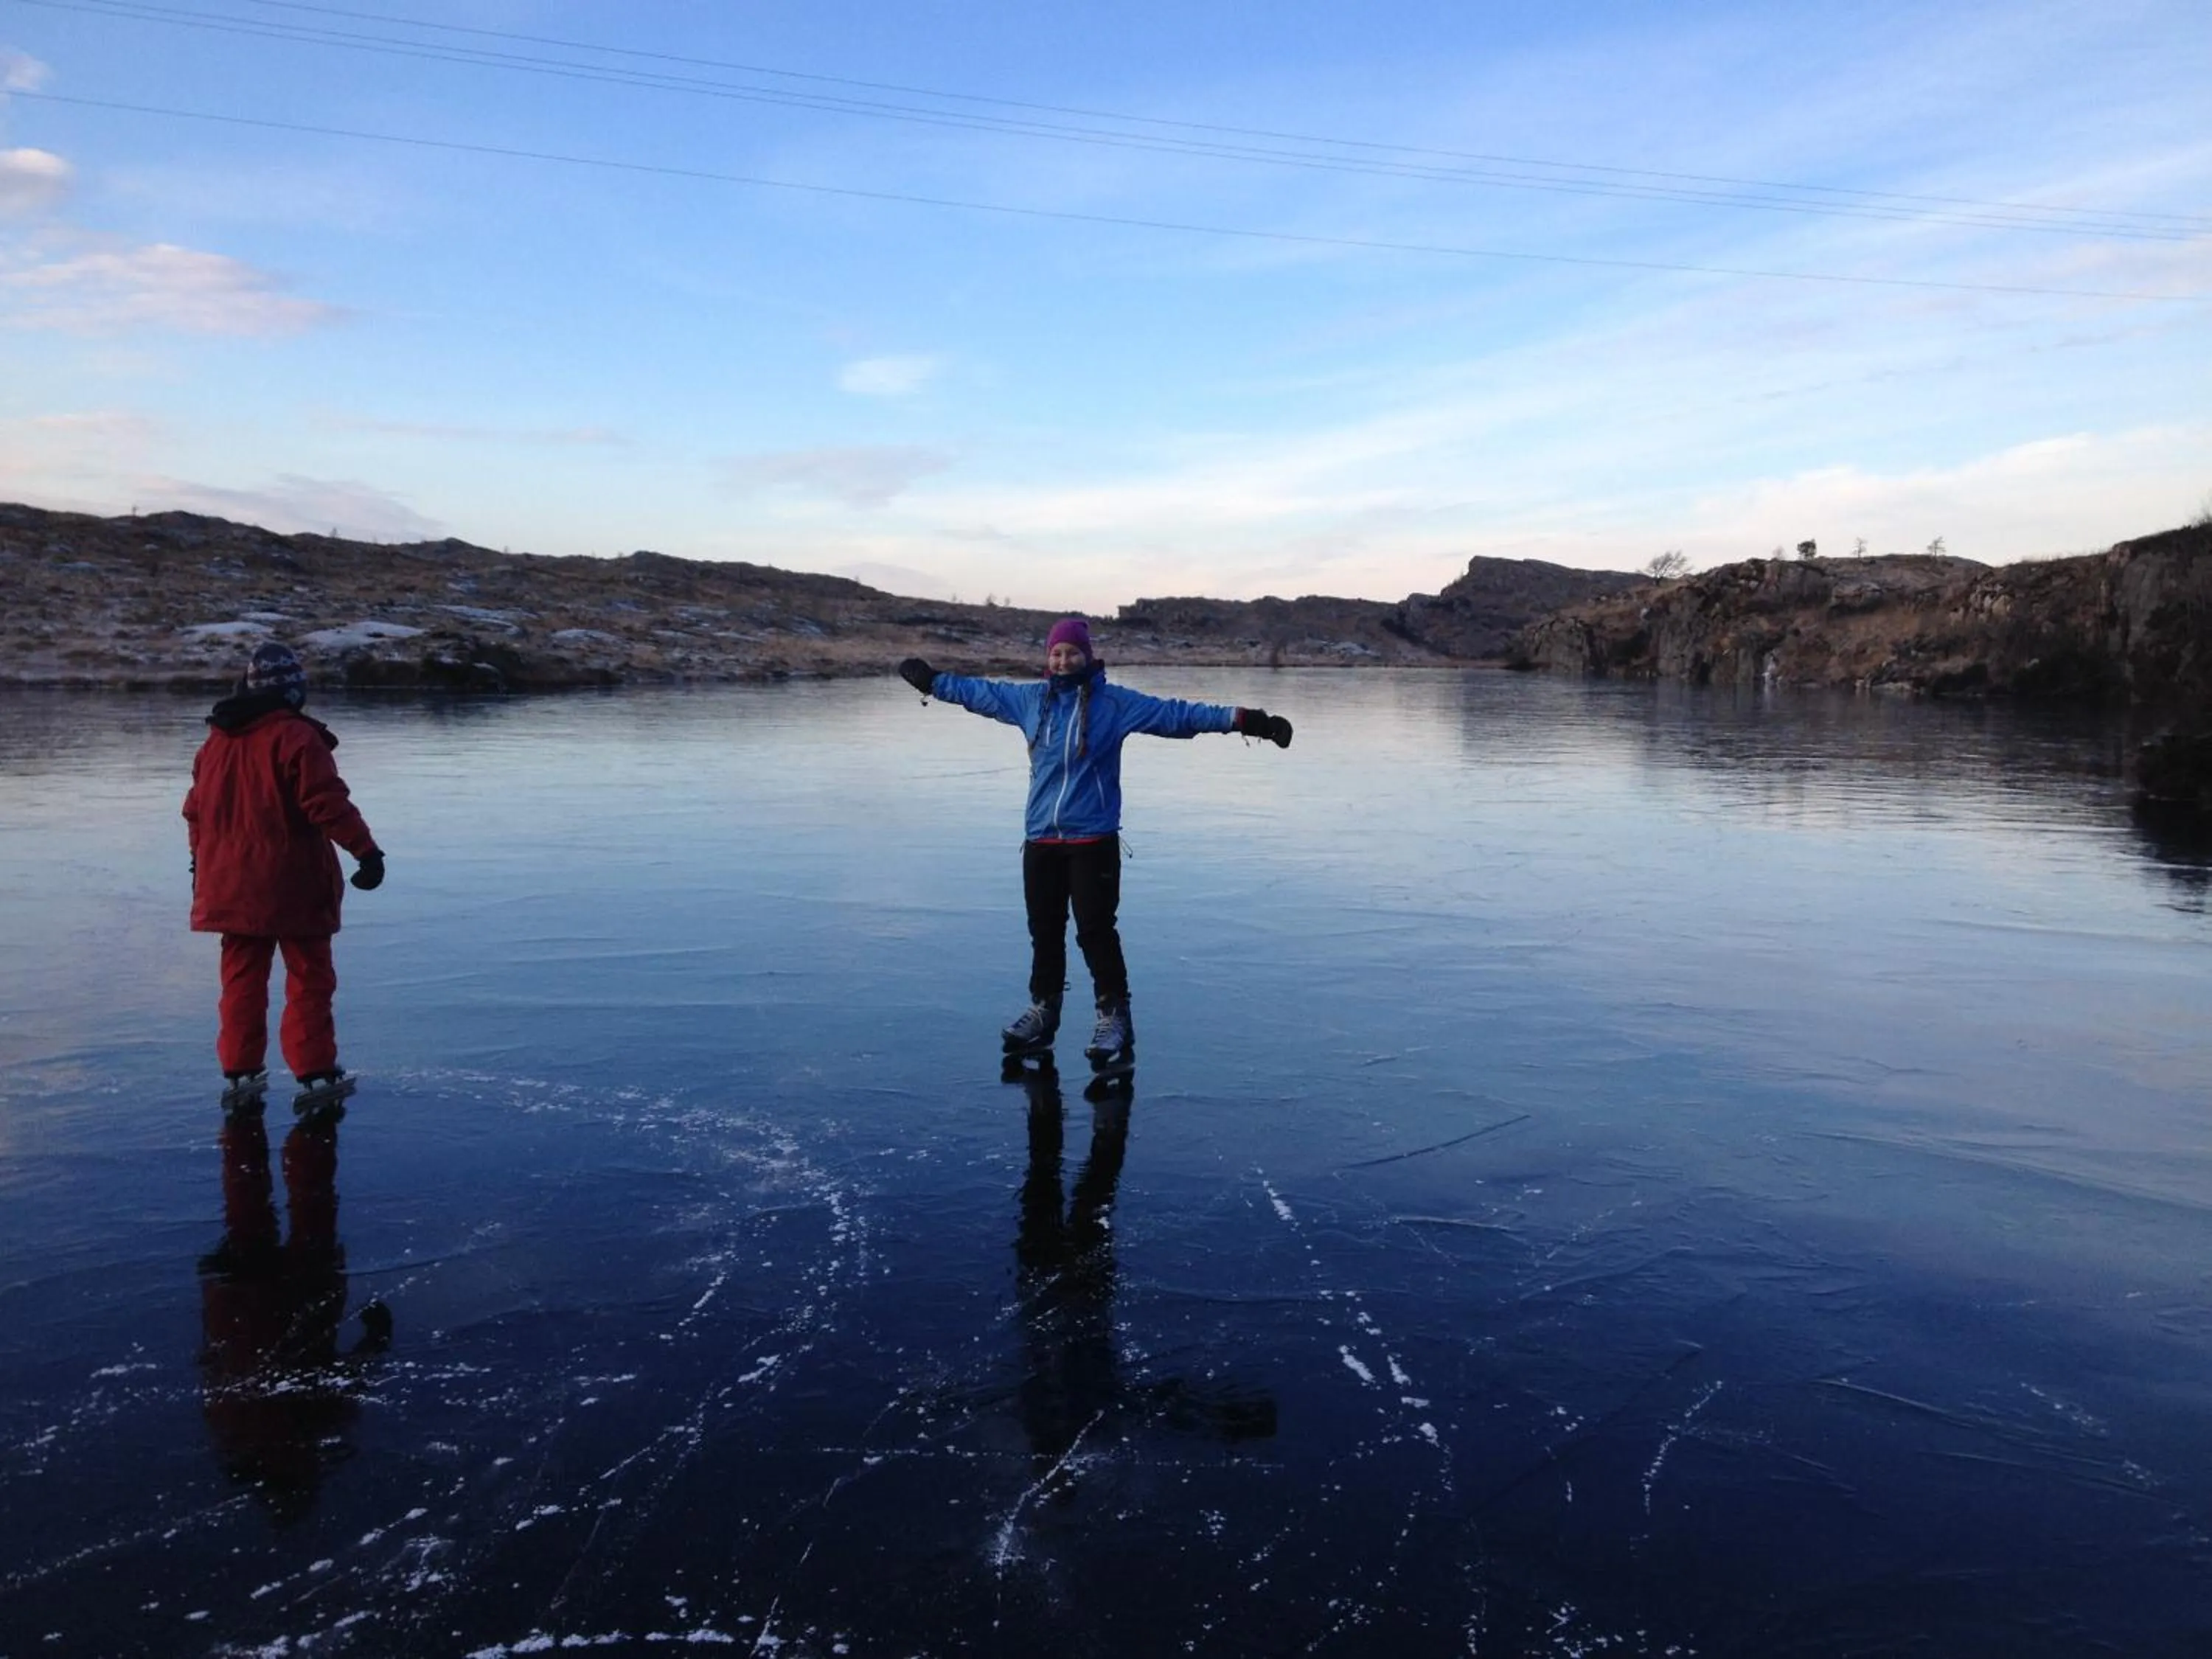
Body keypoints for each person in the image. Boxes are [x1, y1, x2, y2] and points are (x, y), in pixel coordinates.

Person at [898, 616, 1293, 1074]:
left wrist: (1246, 721)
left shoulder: (1114, 704)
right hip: (1041, 838)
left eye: (1072, 652)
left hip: (1093, 840)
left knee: (1094, 931)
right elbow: (980, 693)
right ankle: (1043, 1011)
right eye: (1056, 653)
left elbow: (1178, 715)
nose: (1063, 660)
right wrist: (934, 682)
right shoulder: (1031, 700)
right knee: (1044, 930)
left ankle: (1113, 1015)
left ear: (1087, 656)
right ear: (1048, 658)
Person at [184, 642, 385, 1116]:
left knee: (241, 980)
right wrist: (367, 853)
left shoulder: (215, 743)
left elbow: (196, 814)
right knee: (309, 977)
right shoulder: (296, 738)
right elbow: (327, 803)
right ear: (292, 691)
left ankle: (240, 1071)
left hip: (229, 886)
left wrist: (200, 865)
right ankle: (315, 1073)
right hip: (292, 884)